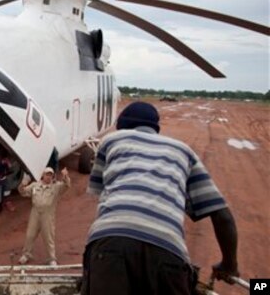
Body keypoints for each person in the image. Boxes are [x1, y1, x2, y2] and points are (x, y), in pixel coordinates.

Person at [81, 101, 239, 295]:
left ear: (122, 126)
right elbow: (222, 215)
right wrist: (229, 264)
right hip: (168, 252)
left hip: (111, 243)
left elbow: (99, 190)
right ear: (156, 128)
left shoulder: (111, 140)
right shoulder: (184, 151)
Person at [17, 167, 70, 266]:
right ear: (43, 175)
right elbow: (23, 192)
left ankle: (52, 258)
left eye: (51, 175)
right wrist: (22, 184)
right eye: (47, 174)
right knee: (30, 235)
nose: (49, 177)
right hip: (35, 213)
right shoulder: (35, 185)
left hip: (48, 215)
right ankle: (26, 255)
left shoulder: (56, 187)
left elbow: (67, 186)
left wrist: (65, 176)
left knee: (48, 237)